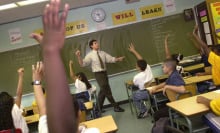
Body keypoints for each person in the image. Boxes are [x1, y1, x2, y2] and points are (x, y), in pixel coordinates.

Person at [30, 0, 78, 132]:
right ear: (78, 116)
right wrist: (52, 52)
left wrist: (50, 51)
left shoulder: (45, 129)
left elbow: (44, 110)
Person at [75, 40, 125, 112]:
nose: (97, 44)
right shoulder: (90, 55)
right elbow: (82, 64)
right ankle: (115, 106)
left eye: (97, 43)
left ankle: (97, 109)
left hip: (104, 73)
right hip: (98, 74)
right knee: (107, 90)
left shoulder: (102, 53)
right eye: (95, 43)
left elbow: (111, 59)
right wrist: (79, 56)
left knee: (103, 91)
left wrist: (118, 59)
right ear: (91, 46)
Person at [128, 43, 154, 118]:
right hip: (154, 90)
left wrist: (133, 51)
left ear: (139, 68)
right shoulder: (148, 68)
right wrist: (133, 51)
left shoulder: (137, 77)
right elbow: (141, 60)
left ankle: (143, 111)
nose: (135, 66)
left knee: (133, 96)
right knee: (138, 92)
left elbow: (135, 85)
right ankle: (151, 105)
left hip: (146, 93)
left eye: (136, 66)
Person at [0, 68, 29, 133]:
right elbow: (19, 94)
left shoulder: (1, 117)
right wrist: (21, 75)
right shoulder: (15, 110)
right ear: (10, 101)